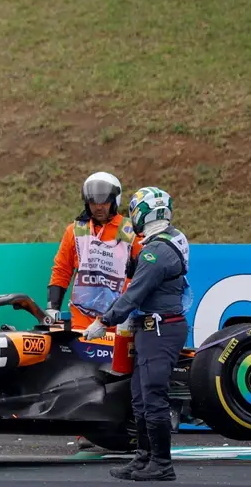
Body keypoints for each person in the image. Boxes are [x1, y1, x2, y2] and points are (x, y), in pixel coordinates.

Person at [85, 187, 192, 482]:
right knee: (141, 397)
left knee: (153, 396)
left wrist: (101, 322)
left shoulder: (156, 252)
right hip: (152, 326)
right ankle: (144, 458)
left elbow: (132, 296)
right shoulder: (169, 239)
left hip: (160, 328)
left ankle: (161, 463)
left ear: (146, 212)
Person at [46, 171, 140, 333]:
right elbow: (61, 270)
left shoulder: (132, 232)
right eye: (93, 202)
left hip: (119, 323)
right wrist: (53, 308)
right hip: (81, 322)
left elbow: (143, 277)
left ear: (114, 200)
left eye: (104, 202)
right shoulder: (74, 231)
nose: (98, 207)